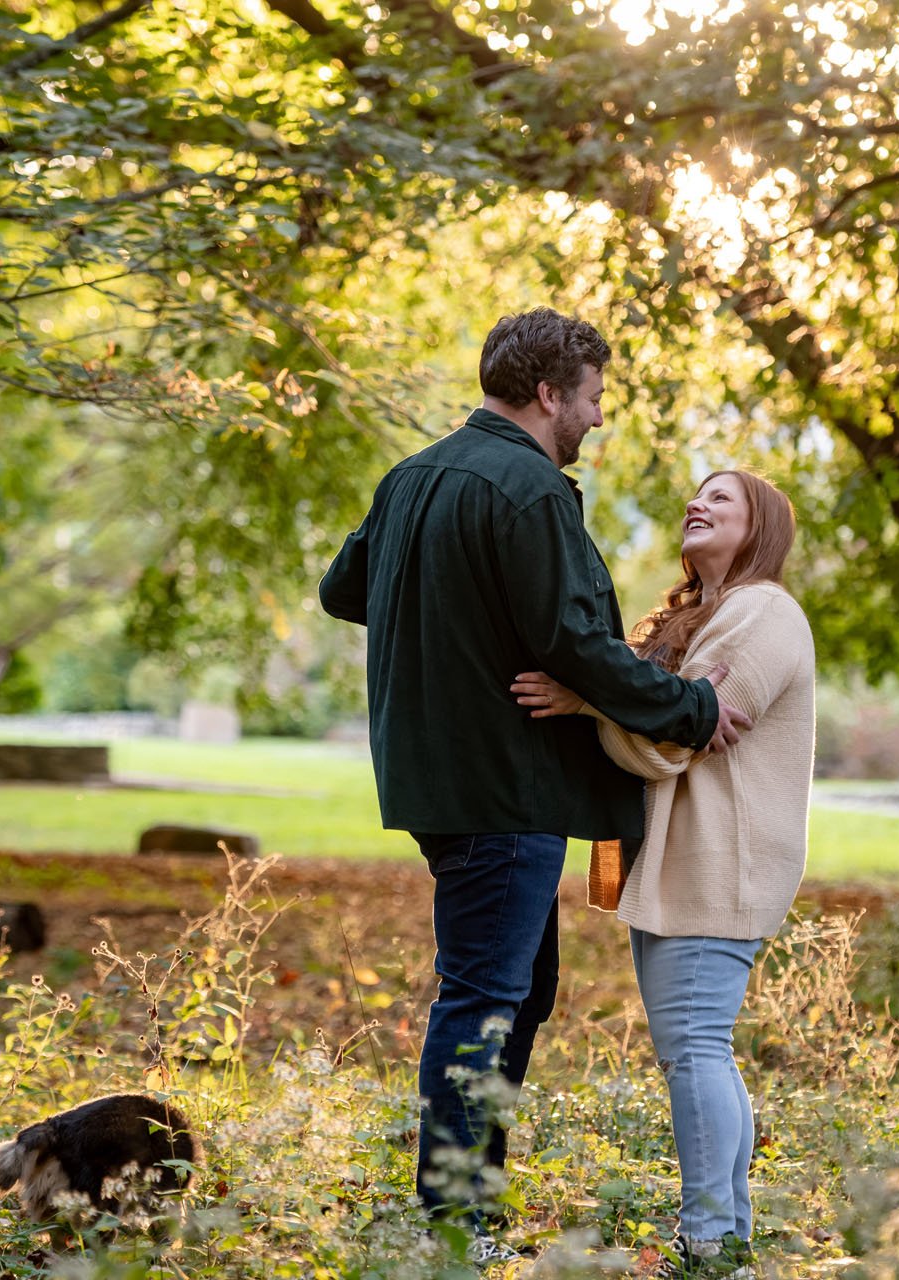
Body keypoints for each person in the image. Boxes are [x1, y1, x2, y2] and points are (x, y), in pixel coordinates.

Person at [317, 308, 754, 1257]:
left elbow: (343, 589)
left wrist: (451, 625)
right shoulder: (531, 490)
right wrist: (689, 709)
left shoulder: (408, 479)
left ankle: (476, 1197)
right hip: (500, 783)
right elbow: (574, 643)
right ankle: (455, 1221)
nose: (597, 419)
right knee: (482, 995)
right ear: (550, 392)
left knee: (522, 988)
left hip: (440, 778)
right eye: (593, 398)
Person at [510, 469, 814, 1274]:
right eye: (697, 494)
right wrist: (621, 700)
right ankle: (728, 1233)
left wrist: (588, 702)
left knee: (695, 1051)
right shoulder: (701, 615)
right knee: (700, 1049)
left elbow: (675, 739)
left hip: (720, 860)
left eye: (723, 498)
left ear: (761, 529)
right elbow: (664, 712)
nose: (698, 504)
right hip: (677, 860)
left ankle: (711, 1239)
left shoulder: (763, 615)